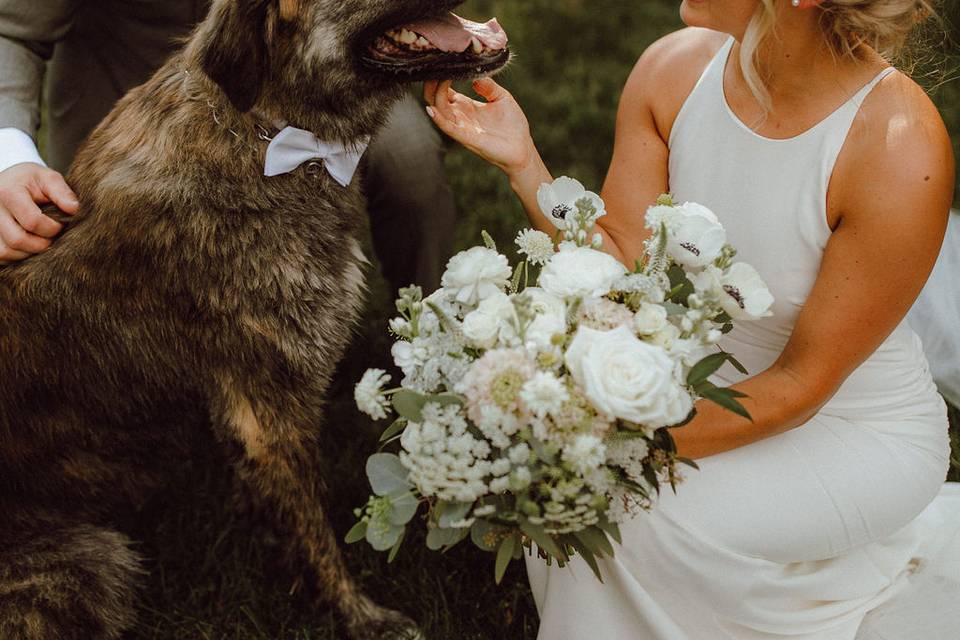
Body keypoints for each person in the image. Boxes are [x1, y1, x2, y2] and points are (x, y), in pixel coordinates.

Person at [424, 0, 960, 638]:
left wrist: (612, 443)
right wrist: (524, 164)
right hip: (693, 384)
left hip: (850, 426)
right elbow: (625, 264)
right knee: (591, 500)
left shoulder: (898, 145)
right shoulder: (674, 69)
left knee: (622, 505)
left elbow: (802, 384)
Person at [0, 0, 456, 295]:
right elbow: (12, 31)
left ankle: (432, 344)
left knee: (409, 163)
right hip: (133, 98)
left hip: (324, 74)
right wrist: (11, 157)